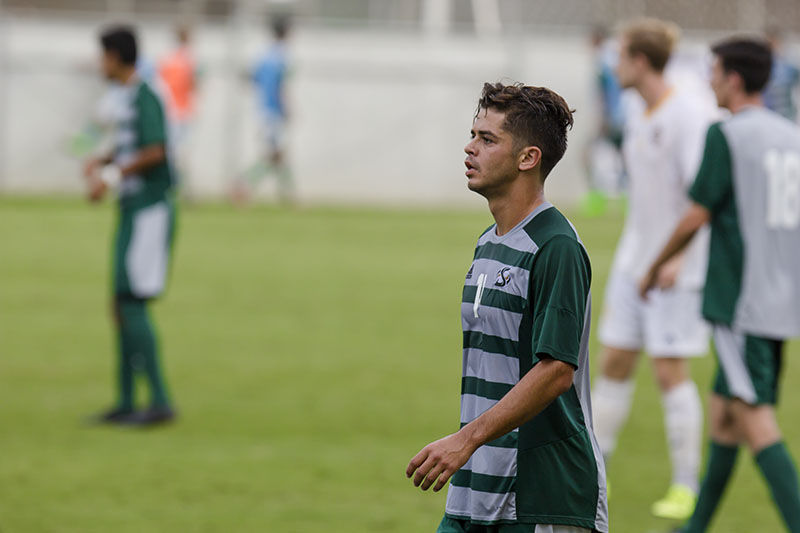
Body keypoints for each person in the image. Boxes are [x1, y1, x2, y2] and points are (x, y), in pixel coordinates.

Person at [406, 82, 608, 533]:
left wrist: (466, 439)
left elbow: (556, 370)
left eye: (487, 139)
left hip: (540, 498)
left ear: (528, 158)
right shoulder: (487, 243)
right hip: (473, 490)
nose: (470, 147)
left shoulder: (555, 247)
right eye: (473, 134)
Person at [640, 37, 800, 532]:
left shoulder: (725, 134)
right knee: (725, 416)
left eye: (713, 70)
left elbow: (695, 215)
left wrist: (653, 266)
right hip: (781, 299)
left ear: (733, 78)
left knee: (753, 418)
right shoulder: (790, 135)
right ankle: (695, 528)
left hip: (742, 303)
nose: (708, 79)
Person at [590, 18, 716, 521]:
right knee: (613, 362)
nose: (614, 65)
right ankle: (593, 473)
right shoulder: (636, 110)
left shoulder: (689, 114)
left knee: (669, 370)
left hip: (676, 269)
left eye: (621, 56)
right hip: (633, 260)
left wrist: (678, 258)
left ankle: (685, 484)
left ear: (640, 62)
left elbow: (702, 197)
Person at [84, 25, 177, 426]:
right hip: (130, 210)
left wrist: (111, 175)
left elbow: (156, 151)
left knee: (134, 300)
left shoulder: (145, 95)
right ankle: (125, 400)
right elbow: (131, 147)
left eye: (103, 55)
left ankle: (159, 401)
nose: (99, 63)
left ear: (117, 57)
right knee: (119, 303)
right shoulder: (123, 98)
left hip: (150, 211)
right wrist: (102, 161)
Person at [232, 14, 293, 204]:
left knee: (278, 155)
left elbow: (250, 78)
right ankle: (242, 183)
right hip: (273, 111)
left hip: (262, 110)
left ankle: (287, 196)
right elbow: (279, 85)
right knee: (274, 155)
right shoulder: (281, 55)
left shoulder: (263, 54)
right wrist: (285, 108)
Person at [763, 27, 800, 122]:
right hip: (767, 113)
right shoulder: (761, 65)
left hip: (785, 115)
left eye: (774, 43)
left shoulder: (788, 66)